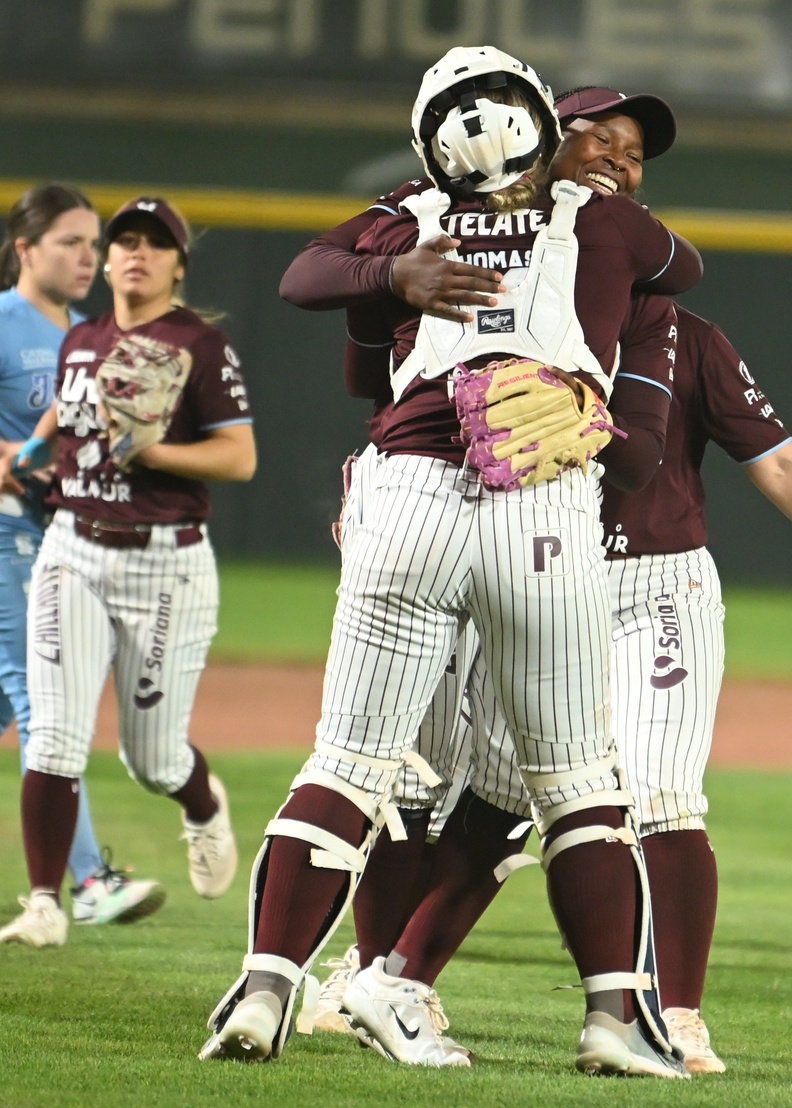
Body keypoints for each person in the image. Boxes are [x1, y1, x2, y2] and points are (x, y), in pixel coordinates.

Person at [293, 85, 792, 1075]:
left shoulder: (669, 316)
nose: (618, 157)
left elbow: (770, 460)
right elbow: (364, 365)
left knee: (654, 794)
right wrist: (387, 486)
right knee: (454, 787)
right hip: (500, 568)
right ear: (529, 142)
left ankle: (671, 1012)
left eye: (633, 151)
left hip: (643, 581)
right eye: (595, 138)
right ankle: (381, 975)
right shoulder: (457, 265)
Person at [199, 46, 716, 1076]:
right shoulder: (605, 220)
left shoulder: (406, 218)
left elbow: (312, 282)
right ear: (543, 125)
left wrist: (394, 273)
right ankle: (614, 1015)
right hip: (543, 507)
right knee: (574, 778)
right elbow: (683, 267)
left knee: (349, 762)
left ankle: (266, 988)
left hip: (403, 495)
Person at [0, 195, 254, 950]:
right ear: (110, 260)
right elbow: (67, 414)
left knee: (151, 758)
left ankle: (202, 805)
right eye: (123, 242)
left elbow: (239, 458)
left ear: (178, 263)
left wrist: (155, 455)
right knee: (52, 735)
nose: (134, 253)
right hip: (71, 551)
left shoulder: (201, 344)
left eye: (155, 244)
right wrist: (36, 454)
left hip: (165, 563)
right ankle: (46, 902)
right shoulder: (82, 337)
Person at [0, 184, 165, 939]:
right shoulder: (4, 321)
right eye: (70, 241)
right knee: (45, 700)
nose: (87, 256)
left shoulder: (85, 335)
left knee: (16, 699)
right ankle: (92, 881)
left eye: (93, 244)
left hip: (55, 535)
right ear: (24, 248)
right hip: (7, 533)